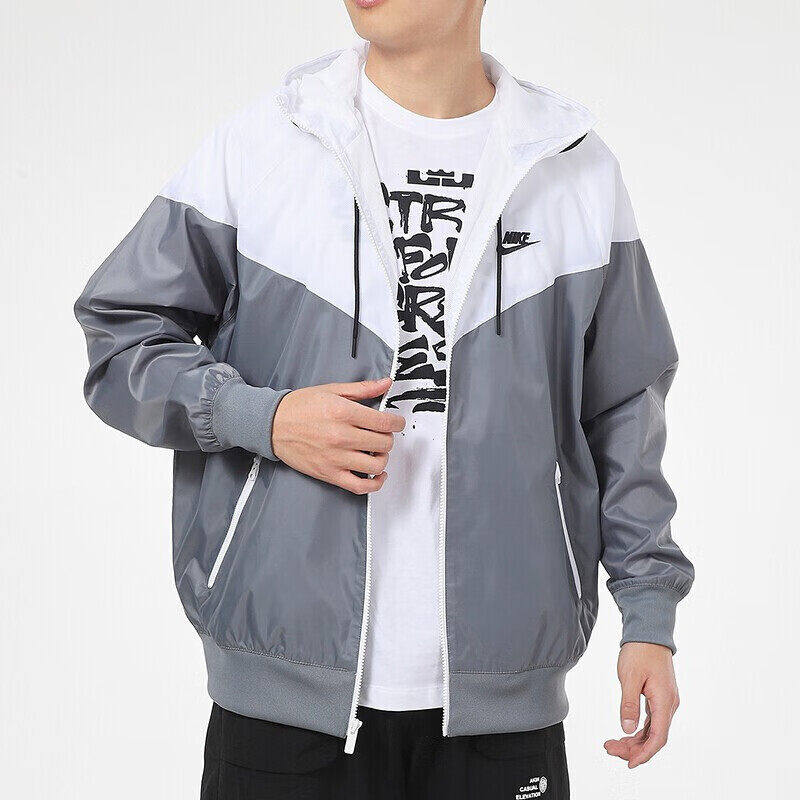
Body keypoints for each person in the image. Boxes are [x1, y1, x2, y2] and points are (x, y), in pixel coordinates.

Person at [75, 0, 694, 797]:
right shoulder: (264, 144)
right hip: (282, 701)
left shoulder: (572, 169)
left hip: (502, 705)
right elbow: (120, 333)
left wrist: (649, 616)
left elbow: (624, 409)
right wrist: (261, 419)